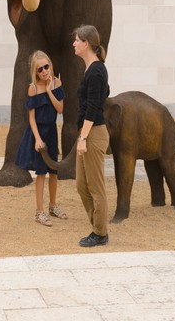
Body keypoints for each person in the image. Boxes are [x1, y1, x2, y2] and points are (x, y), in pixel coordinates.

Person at [15, 50, 68, 226]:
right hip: (38, 132)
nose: (45, 71)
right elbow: (31, 117)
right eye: (40, 69)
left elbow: (60, 109)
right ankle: (39, 212)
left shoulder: (57, 82)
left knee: (54, 171)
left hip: (52, 131)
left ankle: (53, 206)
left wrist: (49, 90)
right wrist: (37, 139)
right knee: (41, 173)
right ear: (35, 71)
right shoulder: (32, 88)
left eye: (47, 66)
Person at [72, 24, 110, 247]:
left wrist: (84, 138)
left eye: (77, 40)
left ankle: (100, 233)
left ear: (86, 43)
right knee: (81, 185)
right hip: (86, 132)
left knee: (96, 186)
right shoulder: (92, 70)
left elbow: (94, 106)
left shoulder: (96, 70)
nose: (73, 44)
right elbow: (104, 93)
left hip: (93, 134)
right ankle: (97, 226)